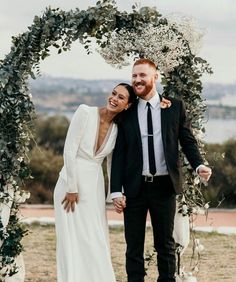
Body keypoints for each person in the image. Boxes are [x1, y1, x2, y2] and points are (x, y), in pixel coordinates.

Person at [110, 58, 212, 282]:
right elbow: (119, 154)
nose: (137, 80)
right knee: (133, 247)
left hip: (164, 187)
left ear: (155, 77)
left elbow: (187, 141)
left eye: (142, 75)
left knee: (165, 245)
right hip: (134, 188)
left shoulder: (175, 107)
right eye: (134, 75)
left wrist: (199, 165)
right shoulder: (126, 111)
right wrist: (116, 190)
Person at [53, 83, 136, 282]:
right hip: (69, 184)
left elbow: (111, 164)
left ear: (128, 105)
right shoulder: (85, 112)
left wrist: (113, 193)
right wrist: (72, 188)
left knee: (94, 237)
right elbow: (69, 150)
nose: (114, 99)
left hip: (94, 186)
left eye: (121, 97)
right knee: (69, 239)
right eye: (114, 93)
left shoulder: (118, 129)